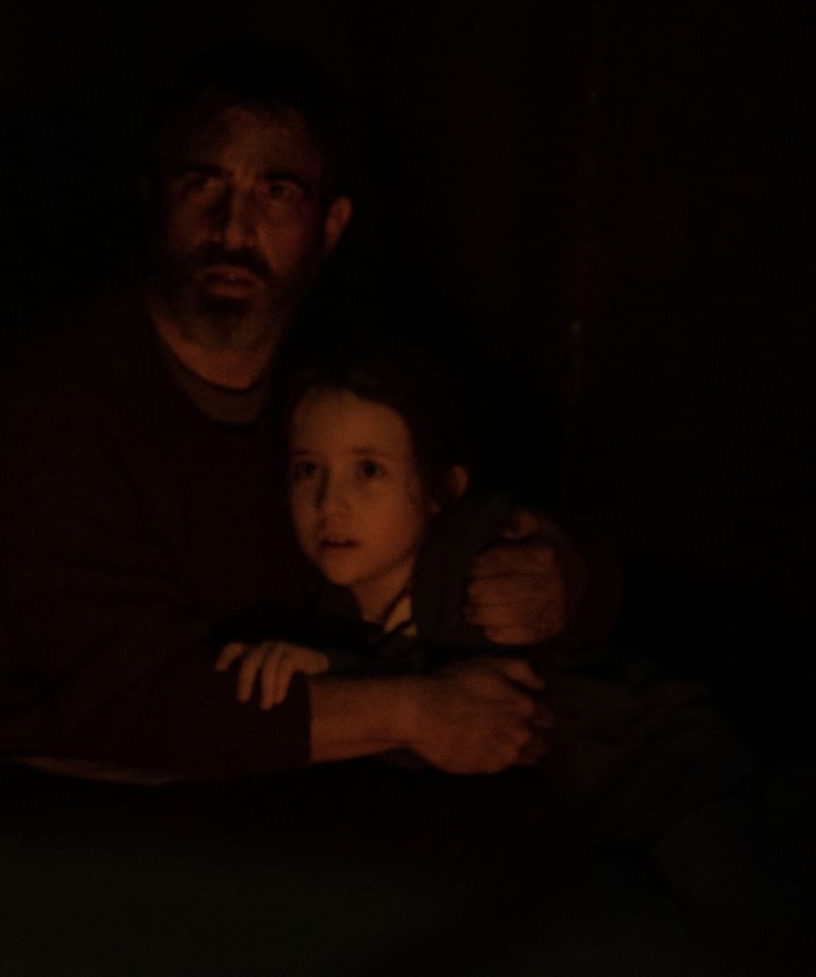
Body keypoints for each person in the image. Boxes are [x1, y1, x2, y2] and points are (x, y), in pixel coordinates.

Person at [0, 44, 576, 782]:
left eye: (275, 192)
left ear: (330, 224)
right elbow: (132, 700)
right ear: (153, 199)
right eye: (203, 185)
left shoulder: (338, 391)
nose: (233, 227)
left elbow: (462, 533)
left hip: (271, 791)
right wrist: (412, 712)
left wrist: (559, 579)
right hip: (51, 792)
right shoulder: (51, 401)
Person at [223, 347, 809, 964]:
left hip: (662, 771)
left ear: (440, 489)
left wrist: (336, 679)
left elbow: (468, 712)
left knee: (759, 925)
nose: (329, 502)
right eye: (307, 469)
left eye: (368, 470)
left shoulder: (482, 563)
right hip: (572, 824)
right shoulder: (329, 607)